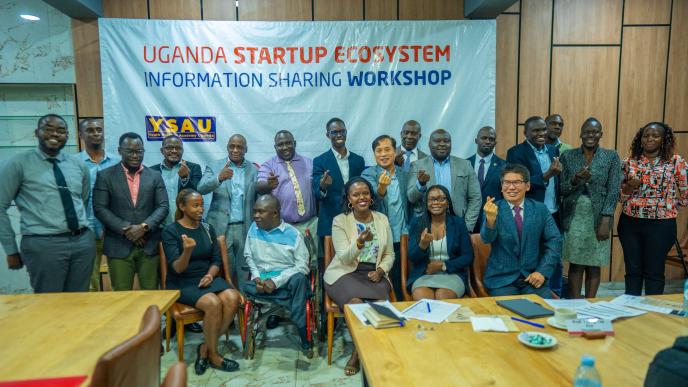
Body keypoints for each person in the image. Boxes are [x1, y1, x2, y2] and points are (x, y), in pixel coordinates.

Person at [0, 114, 95, 293]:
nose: (55, 134)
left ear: (67, 135)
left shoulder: (77, 164)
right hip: (44, 245)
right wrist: (10, 249)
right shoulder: (18, 163)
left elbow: (82, 199)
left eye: (61, 130)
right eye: (48, 129)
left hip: (82, 243)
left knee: (81, 302)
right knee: (49, 305)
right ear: (37, 132)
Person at [161, 189, 241, 374]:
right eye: (195, 205)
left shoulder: (207, 228)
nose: (200, 209)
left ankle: (204, 348)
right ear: (182, 206)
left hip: (206, 277)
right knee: (213, 303)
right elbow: (177, 269)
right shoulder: (171, 231)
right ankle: (214, 355)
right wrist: (187, 250)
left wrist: (211, 275)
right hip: (183, 281)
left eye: (201, 205)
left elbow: (215, 260)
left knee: (232, 297)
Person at [324, 177, 394, 376]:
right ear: (349, 199)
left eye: (365, 193)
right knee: (356, 303)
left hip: (373, 272)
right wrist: (360, 242)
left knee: (380, 307)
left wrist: (381, 270)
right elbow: (344, 258)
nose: (361, 197)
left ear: (371, 196)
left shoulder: (382, 219)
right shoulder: (340, 221)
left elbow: (390, 254)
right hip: (344, 273)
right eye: (356, 194)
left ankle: (360, 350)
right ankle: (358, 354)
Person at [618, 122, 688, 295]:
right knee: (633, 270)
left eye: (655, 135)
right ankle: (630, 310)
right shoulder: (629, 163)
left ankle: (652, 313)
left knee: (654, 271)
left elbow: (686, 195)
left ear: (664, 140)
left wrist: (671, 205)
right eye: (646, 135)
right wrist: (629, 188)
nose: (650, 139)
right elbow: (620, 197)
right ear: (640, 140)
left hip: (661, 226)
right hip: (630, 224)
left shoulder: (676, 162)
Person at [93, 132, 168, 291]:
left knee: (151, 295)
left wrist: (143, 228)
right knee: (122, 297)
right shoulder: (105, 176)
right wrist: (128, 230)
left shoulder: (155, 176)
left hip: (149, 245)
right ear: (120, 150)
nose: (135, 155)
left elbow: (163, 207)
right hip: (118, 245)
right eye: (130, 151)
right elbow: (100, 208)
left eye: (139, 151)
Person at [242, 194, 313, 358]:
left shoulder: (293, 234)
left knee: (300, 280)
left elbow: (302, 266)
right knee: (245, 287)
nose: (255, 216)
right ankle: (295, 305)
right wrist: (257, 277)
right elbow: (248, 256)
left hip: (286, 281)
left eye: (261, 212)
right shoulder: (253, 228)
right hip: (261, 284)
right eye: (255, 211)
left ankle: (304, 336)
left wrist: (276, 281)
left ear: (275, 213)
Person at [560, 118, 621, 298]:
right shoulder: (568, 156)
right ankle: (574, 302)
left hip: (599, 216)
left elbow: (613, 189)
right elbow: (561, 189)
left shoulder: (611, 156)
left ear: (601, 134)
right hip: (574, 215)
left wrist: (606, 217)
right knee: (576, 262)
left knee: (594, 262)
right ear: (581, 134)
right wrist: (575, 180)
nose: (590, 135)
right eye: (587, 131)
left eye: (595, 132)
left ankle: (591, 304)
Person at [481, 164, 561, 297]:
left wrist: (542, 271)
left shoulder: (540, 209)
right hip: (502, 280)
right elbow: (486, 239)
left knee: (541, 312)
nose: (511, 187)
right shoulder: (493, 209)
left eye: (517, 182)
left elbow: (555, 241)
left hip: (532, 278)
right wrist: (490, 220)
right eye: (506, 182)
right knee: (509, 312)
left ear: (527, 186)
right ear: (501, 186)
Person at [506, 116, 563, 297]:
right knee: (534, 255)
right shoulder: (516, 152)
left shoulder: (553, 149)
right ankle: (534, 290)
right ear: (525, 133)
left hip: (553, 211)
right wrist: (548, 174)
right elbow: (520, 182)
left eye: (543, 130)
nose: (541, 134)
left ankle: (556, 295)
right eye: (536, 130)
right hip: (530, 213)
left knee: (555, 255)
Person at [198, 134, 258, 289]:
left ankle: (246, 309)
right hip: (221, 229)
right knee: (225, 272)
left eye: (239, 147)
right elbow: (201, 188)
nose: (235, 150)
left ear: (246, 149)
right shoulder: (215, 166)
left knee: (245, 272)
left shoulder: (254, 170)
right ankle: (229, 309)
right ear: (227, 148)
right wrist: (218, 178)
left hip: (245, 228)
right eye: (232, 146)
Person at [362, 135, 412, 300]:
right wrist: (381, 188)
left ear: (394, 151)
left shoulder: (404, 174)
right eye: (379, 151)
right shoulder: (368, 174)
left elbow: (411, 199)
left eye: (387, 149)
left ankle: (402, 310)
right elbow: (371, 200)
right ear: (374, 154)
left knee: (401, 277)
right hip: (380, 237)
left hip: (403, 235)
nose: (383, 154)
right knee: (381, 278)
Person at [407, 129, 482, 231]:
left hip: (458, 223)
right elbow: (411, 198)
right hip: (427, 225)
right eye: (437, 141)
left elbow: (475, 197)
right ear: (429, 144)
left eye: (446, 141)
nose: (442, 144)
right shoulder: (417, 166)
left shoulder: (465, 165)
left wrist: (467, 226)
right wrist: (421, 184)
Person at [407, 185, 473, 300]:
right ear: (426, 203)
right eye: (432, 199)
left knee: (442, 296)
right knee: (423, 299)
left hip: (452, 274)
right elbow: (412, 257)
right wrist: (422, 245)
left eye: (442, 199)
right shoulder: (417, 223)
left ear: (447, 203)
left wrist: (443, 266)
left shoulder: (458, 223)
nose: (437, 202)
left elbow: (468, 256)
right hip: (424, 274)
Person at [78, 117, 120, 291]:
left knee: (120, 281)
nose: (95, 133)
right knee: (90, 282)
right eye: (90, 130)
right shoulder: (74, 162)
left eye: (99, 129)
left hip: (115, 231)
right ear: (81, 135)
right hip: (86, 230)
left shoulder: (118, 162)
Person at [256, 130, 317, 245]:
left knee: (312, 261)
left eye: (288, 143)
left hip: (310, 225)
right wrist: (268, 185)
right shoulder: (269, 165)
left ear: (294, 143)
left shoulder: (310, 163)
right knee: (286, 261)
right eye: (280, 145)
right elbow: (259, 186)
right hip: (283, 227)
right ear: (275, 147)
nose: (284, 147)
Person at [312, 118, 365, 238]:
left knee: (359, 255)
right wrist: (323, 186)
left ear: (346, 132)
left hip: (357, 219)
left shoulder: (358, 160)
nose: (339, 134)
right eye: (334, 132)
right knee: (332, 257)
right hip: (331, 220)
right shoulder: (320, 161)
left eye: (342, 131)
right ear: (328, 135)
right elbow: (317, 191)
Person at [150, 134, 202, 227]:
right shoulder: (152, 171)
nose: (174, 151)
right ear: (162, 151)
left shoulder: (194, 168)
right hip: (159, 226)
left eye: (178, 148)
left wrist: (185, 178)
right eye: (169, 148)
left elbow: (195, 195)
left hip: (187, 225)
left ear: (182, 150)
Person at [467, 126, 506, 233]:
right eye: (484, 138)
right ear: (476, 141)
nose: (488, 141)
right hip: (468, 218)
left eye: (491, 139)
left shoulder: (504, 166)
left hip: (493, 218)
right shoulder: (465, 164)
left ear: (495, 143)